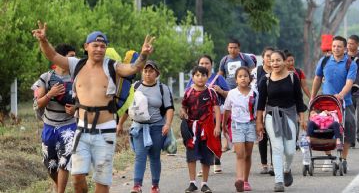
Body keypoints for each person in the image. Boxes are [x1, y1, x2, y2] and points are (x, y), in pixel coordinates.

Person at [32, 21, 155, 193]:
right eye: (95, 45)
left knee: (102, 183)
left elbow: (133, 68)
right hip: (81, 130)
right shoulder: (76, 65)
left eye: (102, 46)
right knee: (77, 178)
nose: (99, 49)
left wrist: (143, 55)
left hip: (105, 131)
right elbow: (52, 56)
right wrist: (43, 40)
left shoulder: (112, 66)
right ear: (86, 46)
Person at [117, 60, 174, 193]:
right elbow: (128, 108)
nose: (148, 74)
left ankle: (155, 185)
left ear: (157, 73)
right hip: (138, 128)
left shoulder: (162, 88)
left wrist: (168, 124)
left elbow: (169, 108)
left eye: (151, 71)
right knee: (140, 156)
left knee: (154, 156)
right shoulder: (135, 86)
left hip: (157, 127)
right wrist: (120, 124)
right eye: (145, 71)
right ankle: (137, 186)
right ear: (142, 72)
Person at [256, 50, 307, 192]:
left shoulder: (293, 77)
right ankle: (278, 181)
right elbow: (260, 104)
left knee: (290, 150)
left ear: (285, 61)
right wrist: (259, 122)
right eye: (272, 61)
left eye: (278, 60)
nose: (275, 63)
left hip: (290, 115)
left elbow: (299, 100)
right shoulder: (265, 80)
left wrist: (302, 119)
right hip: (272, 116)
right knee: (277, 148)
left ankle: (286, 169)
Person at [32, 43, 77, 193]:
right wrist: (50, 94)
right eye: (71, 56)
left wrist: (76, 109)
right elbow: (37, 103)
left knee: (65, 162)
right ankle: (57, 185)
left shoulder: (76, 78)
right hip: (49, 126)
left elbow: (85, 101)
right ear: (60, 57)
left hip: (69, 125)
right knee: (51, 165)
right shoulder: (46, 78)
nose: (74, 60)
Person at [310, 36, 357, 173]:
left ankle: (343, 159)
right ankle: (329, 157)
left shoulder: (350, 63)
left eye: (339, 46)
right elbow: (318, 78)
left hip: (345, 103)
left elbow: (350, 82)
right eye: (334, 46)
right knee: (323, 131)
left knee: (348, 129)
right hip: (326, 104)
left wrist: (341, 94)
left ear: (345, 48)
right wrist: (313, 96)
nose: (336, 48)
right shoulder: (324, 61)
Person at [180, 66, 221, 193]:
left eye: (203, 75)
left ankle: (204, 183)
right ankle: (192, 182)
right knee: (191, 155)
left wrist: (217, 126)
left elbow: (217, 110)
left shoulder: (211, 92)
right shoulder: (188, 92)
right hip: (191, 128)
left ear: (207, 77)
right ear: (192, 77)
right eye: (197, 75)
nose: (200, 78)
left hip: (207, 128)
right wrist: (183, 114)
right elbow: (183, 107)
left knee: (206, 155)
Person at [186, 55, 229, 175]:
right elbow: (187, 93)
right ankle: (204, 164)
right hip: (198, 115)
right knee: (201, 139)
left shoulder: (218, 78)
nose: (204, 66)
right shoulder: (194, 78)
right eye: (202, 63)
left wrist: (220, 90)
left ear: (212, 64)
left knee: (215, 136)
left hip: (215, 113)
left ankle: (217, 161)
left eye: (207, 63)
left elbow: (229, 95)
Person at [223, 67, 258, 192]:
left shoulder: (254, 93)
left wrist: (260, 125)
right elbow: (227, 110)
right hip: (236, 126)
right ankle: (239, 180)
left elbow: (258, 111)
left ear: (249, 79)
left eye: (245, 76)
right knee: (240, 154)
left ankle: (246, 180)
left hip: (251, 125)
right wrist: (223, 126)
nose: (243, 78)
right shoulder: (232, 93)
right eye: (240, 76)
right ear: (236, 80)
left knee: (248, 154)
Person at [251, 47, 275, 175]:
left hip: (274, 107)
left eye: (272, 56)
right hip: (260, 107)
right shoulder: (256, 71)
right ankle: (264, 164)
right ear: (263, 58)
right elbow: (251, 89)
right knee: (262, 136)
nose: (270, 58)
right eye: (267, 56)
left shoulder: (279, 71)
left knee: (273, 137)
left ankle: (273, 164)